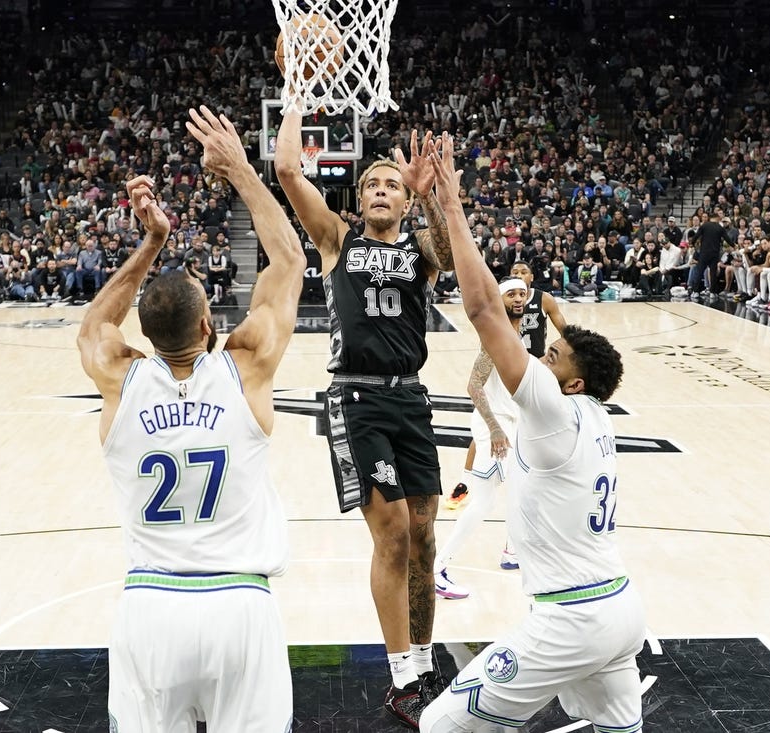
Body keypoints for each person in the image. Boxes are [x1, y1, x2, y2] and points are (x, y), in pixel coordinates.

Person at [77, 106, 303, 733]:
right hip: (239, 606)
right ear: (210, 326)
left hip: (149, 606)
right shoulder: (245, 366)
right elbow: (287, 260)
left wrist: (151, 241)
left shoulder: (122, 378)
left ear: (143, 336)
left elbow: (96, 325)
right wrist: (237, 170)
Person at [420, 134, 646, 733]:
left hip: (570, 620)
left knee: (443, 723)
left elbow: (482, 311)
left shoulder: (553, 407)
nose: (544, 358)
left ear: (571, 383)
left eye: (555, 357)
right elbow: (579, 354)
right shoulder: (596, 413)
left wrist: (452, 210)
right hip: (622, 609)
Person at [276, 110, 454, 728]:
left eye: (392, 185)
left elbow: (450, 253)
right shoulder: (336, 240)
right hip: (356, 399)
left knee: (427, 538)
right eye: (373, 185)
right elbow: (286, 170)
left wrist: (431, 196)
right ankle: (402, 674)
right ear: (360, 199)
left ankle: (426, 660)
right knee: (395, 534)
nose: (381, 191)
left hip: (411, 396)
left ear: (406, 199)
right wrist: (296, 89)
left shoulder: (419, 247)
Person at [435, 265, 567, 600]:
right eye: (512, 294)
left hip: (509, 426)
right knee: (488, 502)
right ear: (500, 299)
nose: (520, 298)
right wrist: (494, 428)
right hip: (495, 430)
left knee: (520, 493)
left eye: (522, 293)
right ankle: (437, 568)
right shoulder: (496, 337)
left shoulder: (516, 336)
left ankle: (511, 552)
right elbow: (473, 386)